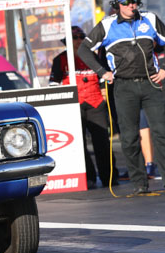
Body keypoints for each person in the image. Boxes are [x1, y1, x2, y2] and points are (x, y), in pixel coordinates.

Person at [78, 0, 165, 195]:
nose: (131, 6)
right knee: (129, 137)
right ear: (117, 5)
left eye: (134, 1)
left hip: (150, 83)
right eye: (127, 2)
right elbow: (84, 49)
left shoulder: (150, 19)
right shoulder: (107, 24)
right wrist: (102, 72)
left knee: (162, 133)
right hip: (123, 86)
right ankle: (139, 183)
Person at [50, 25, 119, 189]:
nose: (78, 40)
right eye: (74, 38)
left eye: (81, 37)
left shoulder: (93, 57)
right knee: (79, 145)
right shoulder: (60, 60)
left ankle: (109, 177)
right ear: (67, 42)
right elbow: (53, 84)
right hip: (74, 106)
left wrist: (103, 98)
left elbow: (104, 79)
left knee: (103, 143)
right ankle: (88, 177)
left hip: (96, 104)